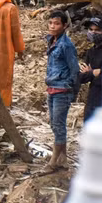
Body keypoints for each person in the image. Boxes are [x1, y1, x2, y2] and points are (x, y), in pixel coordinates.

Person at [43, 10, 79, 173]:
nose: (52, 26)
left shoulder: (66, 45)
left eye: (56, 23)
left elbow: (74, 69)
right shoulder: (51, 40)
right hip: (52, 86)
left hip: (62, 89)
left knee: (58, 125)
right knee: (55, 123)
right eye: (50, 23)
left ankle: (53, 162)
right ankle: (63, 159)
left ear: (65, 25)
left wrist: (72, 90)